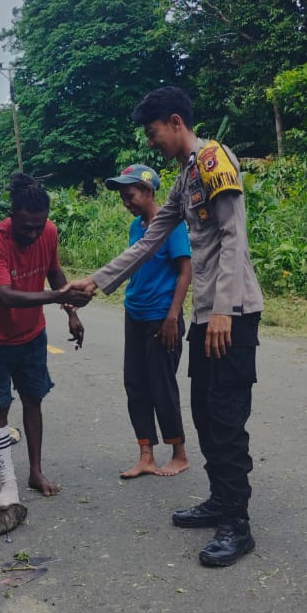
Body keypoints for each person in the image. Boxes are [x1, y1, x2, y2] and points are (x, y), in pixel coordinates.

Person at [71, 87, 265, 567]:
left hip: (231, 314)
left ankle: (237, 525)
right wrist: (97, 281)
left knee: (225, 417)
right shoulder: (182, 180)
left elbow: (232, 235)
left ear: (175, 121)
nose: (151, 141)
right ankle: (220, 500)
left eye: (153, 132)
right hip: (207, 316)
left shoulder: (214, 159)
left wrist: (222, 309)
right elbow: (151, 240)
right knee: (202, 412)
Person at [0, 172, 90, 506]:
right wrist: (56, 298)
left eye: (40, 225)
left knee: (33, 399)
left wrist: (71, 312)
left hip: (30, 334)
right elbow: (6, 296)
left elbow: (54, 274)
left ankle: (35, 471)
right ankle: (8, 481)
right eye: (26, 227)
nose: (34, 233)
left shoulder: (48, 232)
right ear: (13, 217)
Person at [103, 163, 191, 480]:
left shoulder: (172, 226)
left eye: (130, 195)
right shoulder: (137, 227)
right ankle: (146, 456)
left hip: (161, 317)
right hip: (135, 312)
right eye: (123, 198)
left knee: (162, 386)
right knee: (136, 385)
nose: (127, 202)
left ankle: (179, 455)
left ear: (148, 190)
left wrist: (172, 317)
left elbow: (185, 271)